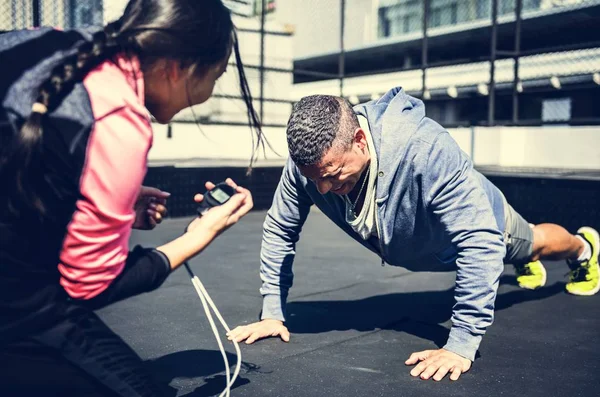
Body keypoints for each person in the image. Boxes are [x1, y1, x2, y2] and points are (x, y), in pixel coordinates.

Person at [227, 87, 599, 381]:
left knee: (534, 242)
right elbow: (280, 228)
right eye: (314, 178)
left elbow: (480, 240)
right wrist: (273, 312)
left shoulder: (424, 150)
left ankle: (584, 249)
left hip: (482, 222)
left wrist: (461, 344)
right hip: (429, 246)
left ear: (359, 139)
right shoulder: (307, 167)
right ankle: (527, 262)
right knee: (517, 254)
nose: (322, 189)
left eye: (333, 174)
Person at [0, 0, 261, 395]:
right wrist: (200, 234)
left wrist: (95, 193)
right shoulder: (119, 124)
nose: (209, 90)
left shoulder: (46, 42)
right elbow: (88, 285)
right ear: (178, 68)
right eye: (216, 76)